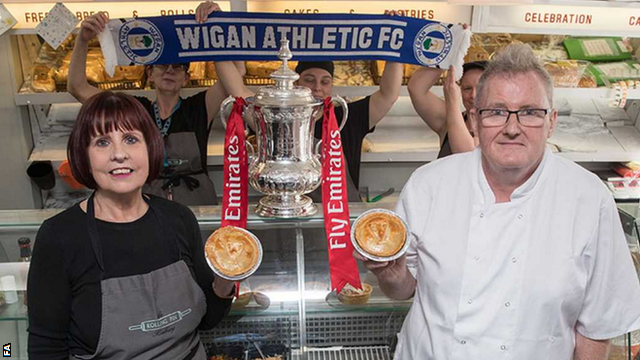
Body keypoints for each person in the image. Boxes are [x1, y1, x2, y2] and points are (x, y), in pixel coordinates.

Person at [359, 44, 640, 359]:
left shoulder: (588, 199)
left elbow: (597, 328)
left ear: (552, 121)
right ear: (475, 120)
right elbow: (402, 291)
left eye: (530, 112)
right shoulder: (430, 184)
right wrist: (391, 274)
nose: (511, 128)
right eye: (496, 112)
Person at [27, 92, 236, 359]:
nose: (119, 154)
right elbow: (42, 347)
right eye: (102, 142)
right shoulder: (59, 238)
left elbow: (207, 320)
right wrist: (5, 354)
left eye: (130, 139)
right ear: (84, 157)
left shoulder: (179, 219)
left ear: (149, 148)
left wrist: (226, 282)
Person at [67, 1, 241, 205]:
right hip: (147, 202)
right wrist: (83, 40)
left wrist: (218, 25)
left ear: (186, 78)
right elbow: (77, 88)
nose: (169, 71)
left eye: (177, 67)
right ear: (149, 74)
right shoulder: (135, 109)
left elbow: (236, 75)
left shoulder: (199, 106)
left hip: (196, 204)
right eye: (161, 66)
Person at [215, 60, 403, 202]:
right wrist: (217, 31)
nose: (317, 88)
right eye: (309, 80)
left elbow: (388, 94)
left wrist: (395, 48)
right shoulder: (276, 117)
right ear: (296, 84)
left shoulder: (348, 116)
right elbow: (237, 89)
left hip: (341, 224)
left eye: (325, 81)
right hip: (292, 218)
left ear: (331, 86)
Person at [408, 61, 487, 157]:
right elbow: (416, 88)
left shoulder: (502, 125)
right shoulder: (448, 118)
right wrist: (447, 56)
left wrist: (452, 102)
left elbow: (466, 156)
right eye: (467, 88)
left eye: (480, 88)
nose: (473, 95)